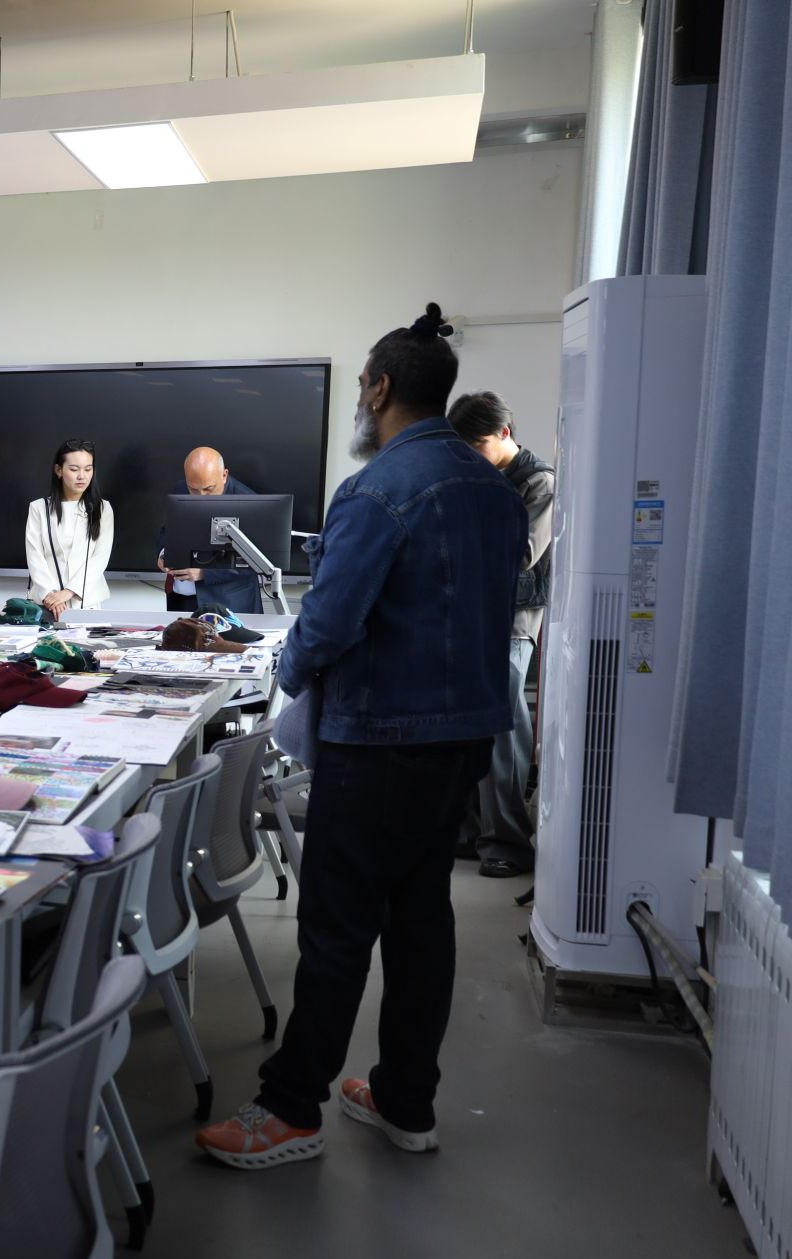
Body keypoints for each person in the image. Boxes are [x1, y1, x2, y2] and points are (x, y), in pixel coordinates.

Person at [196, 304, 526, 1171]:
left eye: (361, 388)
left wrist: (288, 669)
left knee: (337, 925)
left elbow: (330, 621)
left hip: (379, 740)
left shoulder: (376, 489)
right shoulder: (493, 490)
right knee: (421, 918)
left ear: (378, 388)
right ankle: (406, 1101)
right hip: (463, 737)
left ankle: (290, 1107)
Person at [450, 389, 554, 878]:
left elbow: (520, 555)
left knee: (501, 732)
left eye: (477, 446)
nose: (471, 457)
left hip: (512, 622)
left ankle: (508, 844)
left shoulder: (539, 484)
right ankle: (473, 832)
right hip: (469, 616)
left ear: (504, 433)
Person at [156, 446, 263, 615]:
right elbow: (167, 529)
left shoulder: (249, 502)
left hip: (229, 604)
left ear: (224, 475)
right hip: (181, 601)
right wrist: (163, 553)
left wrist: (206, 573)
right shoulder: (179, 489)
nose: (200, 497)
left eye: (209, 489)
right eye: (193, 489)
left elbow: (257, 561)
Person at [25, 439, 114, 617]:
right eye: (74, 469)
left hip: (87, 601)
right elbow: (34, 555)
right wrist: (51, 595)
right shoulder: (39, 508)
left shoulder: (102, 508)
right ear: (59, 470)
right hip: (46, 603)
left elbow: (100, 558)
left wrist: (68, 592)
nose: (82, 476)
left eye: (88, 469)